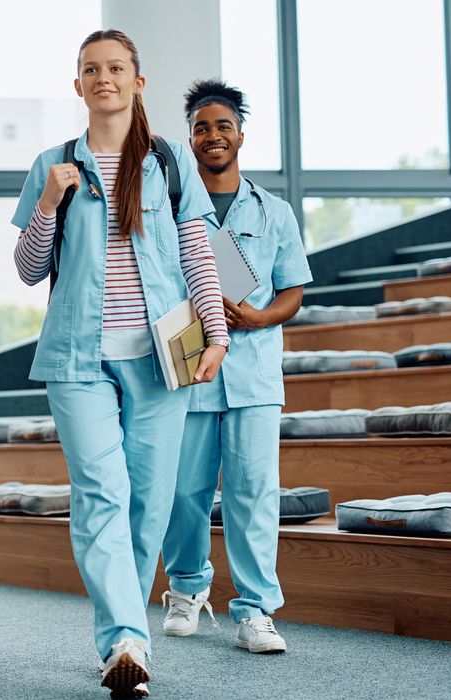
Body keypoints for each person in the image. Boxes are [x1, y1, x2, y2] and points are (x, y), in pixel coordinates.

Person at [11, 29, 228, 698]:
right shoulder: (53, 163)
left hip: (164, 357)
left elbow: (198, 254)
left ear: (137, 81)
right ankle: (125, 641)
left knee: (148, 503)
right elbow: (27, 269)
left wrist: (216, 334)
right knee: (102, 495)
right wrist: (48, 203)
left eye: (114, 67)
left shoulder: (169, 161)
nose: (102, 77)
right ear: (77, 84)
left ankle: (124, 636)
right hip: (78, 360)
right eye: (90, 69)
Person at [160, 79, 312, 654]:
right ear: (190, 140)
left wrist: (258, 317)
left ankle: (255, 610)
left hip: (254, 377)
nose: (213, 136)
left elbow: (293, 290)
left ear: (241, 135)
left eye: (223, 126)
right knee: (184, 492)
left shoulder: (275, 212)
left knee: (252, 494)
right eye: (201, 128)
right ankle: (185, 589)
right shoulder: (170, 210)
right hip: (190, 372)